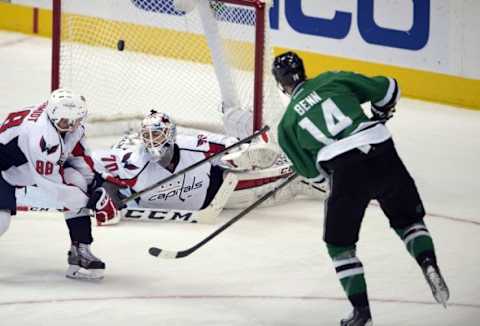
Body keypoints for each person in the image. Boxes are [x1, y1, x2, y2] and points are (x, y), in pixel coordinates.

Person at [272, 51, 449, 326]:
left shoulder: (286, 126)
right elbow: (390, 88)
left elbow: (314, 177)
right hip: (381, 149)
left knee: (339, 245)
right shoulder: (332, 79)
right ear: (304, 72)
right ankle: (428, 263)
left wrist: (338, 180)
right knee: (408, 220)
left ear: (281, 85)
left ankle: (361, 314)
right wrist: (379, 114)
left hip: (344, 169)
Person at [84, 110, 327, 225]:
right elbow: (91, 167)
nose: (152, 142)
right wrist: (103, 196)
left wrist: (237, 155)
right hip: (180, 202)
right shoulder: (132, 161)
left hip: (217, 192)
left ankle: (309, 173)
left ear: (170, 136)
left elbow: (232, 144)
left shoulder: (193, 145)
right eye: (147, 136)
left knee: (260, 176)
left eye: (157, 136)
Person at [0, 88, 117, 280]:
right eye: (65, 122)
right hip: (5, 171)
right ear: (54, 116)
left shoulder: (65, 119)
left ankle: (80, 251)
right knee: (1, 222)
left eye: (75, 121)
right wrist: (92, 202)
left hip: (26, 166)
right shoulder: (43, 138)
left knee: (77, 181)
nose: (71, 126)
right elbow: (54, 188)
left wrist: (97, 183)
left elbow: (80, 158)